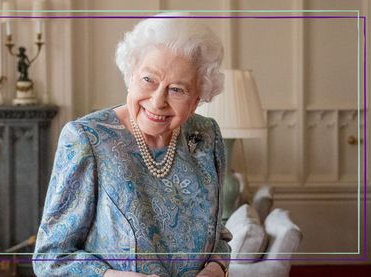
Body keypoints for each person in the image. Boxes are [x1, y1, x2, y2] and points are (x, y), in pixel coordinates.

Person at [33, 13, 232, 277]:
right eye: (148, 80)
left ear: (197, 99)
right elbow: (50, 257)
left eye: (177, 90)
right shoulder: (86, 139)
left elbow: (218, 233)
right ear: (131, 75)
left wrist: (216, 269)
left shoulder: (207, 136)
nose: (158, 101)